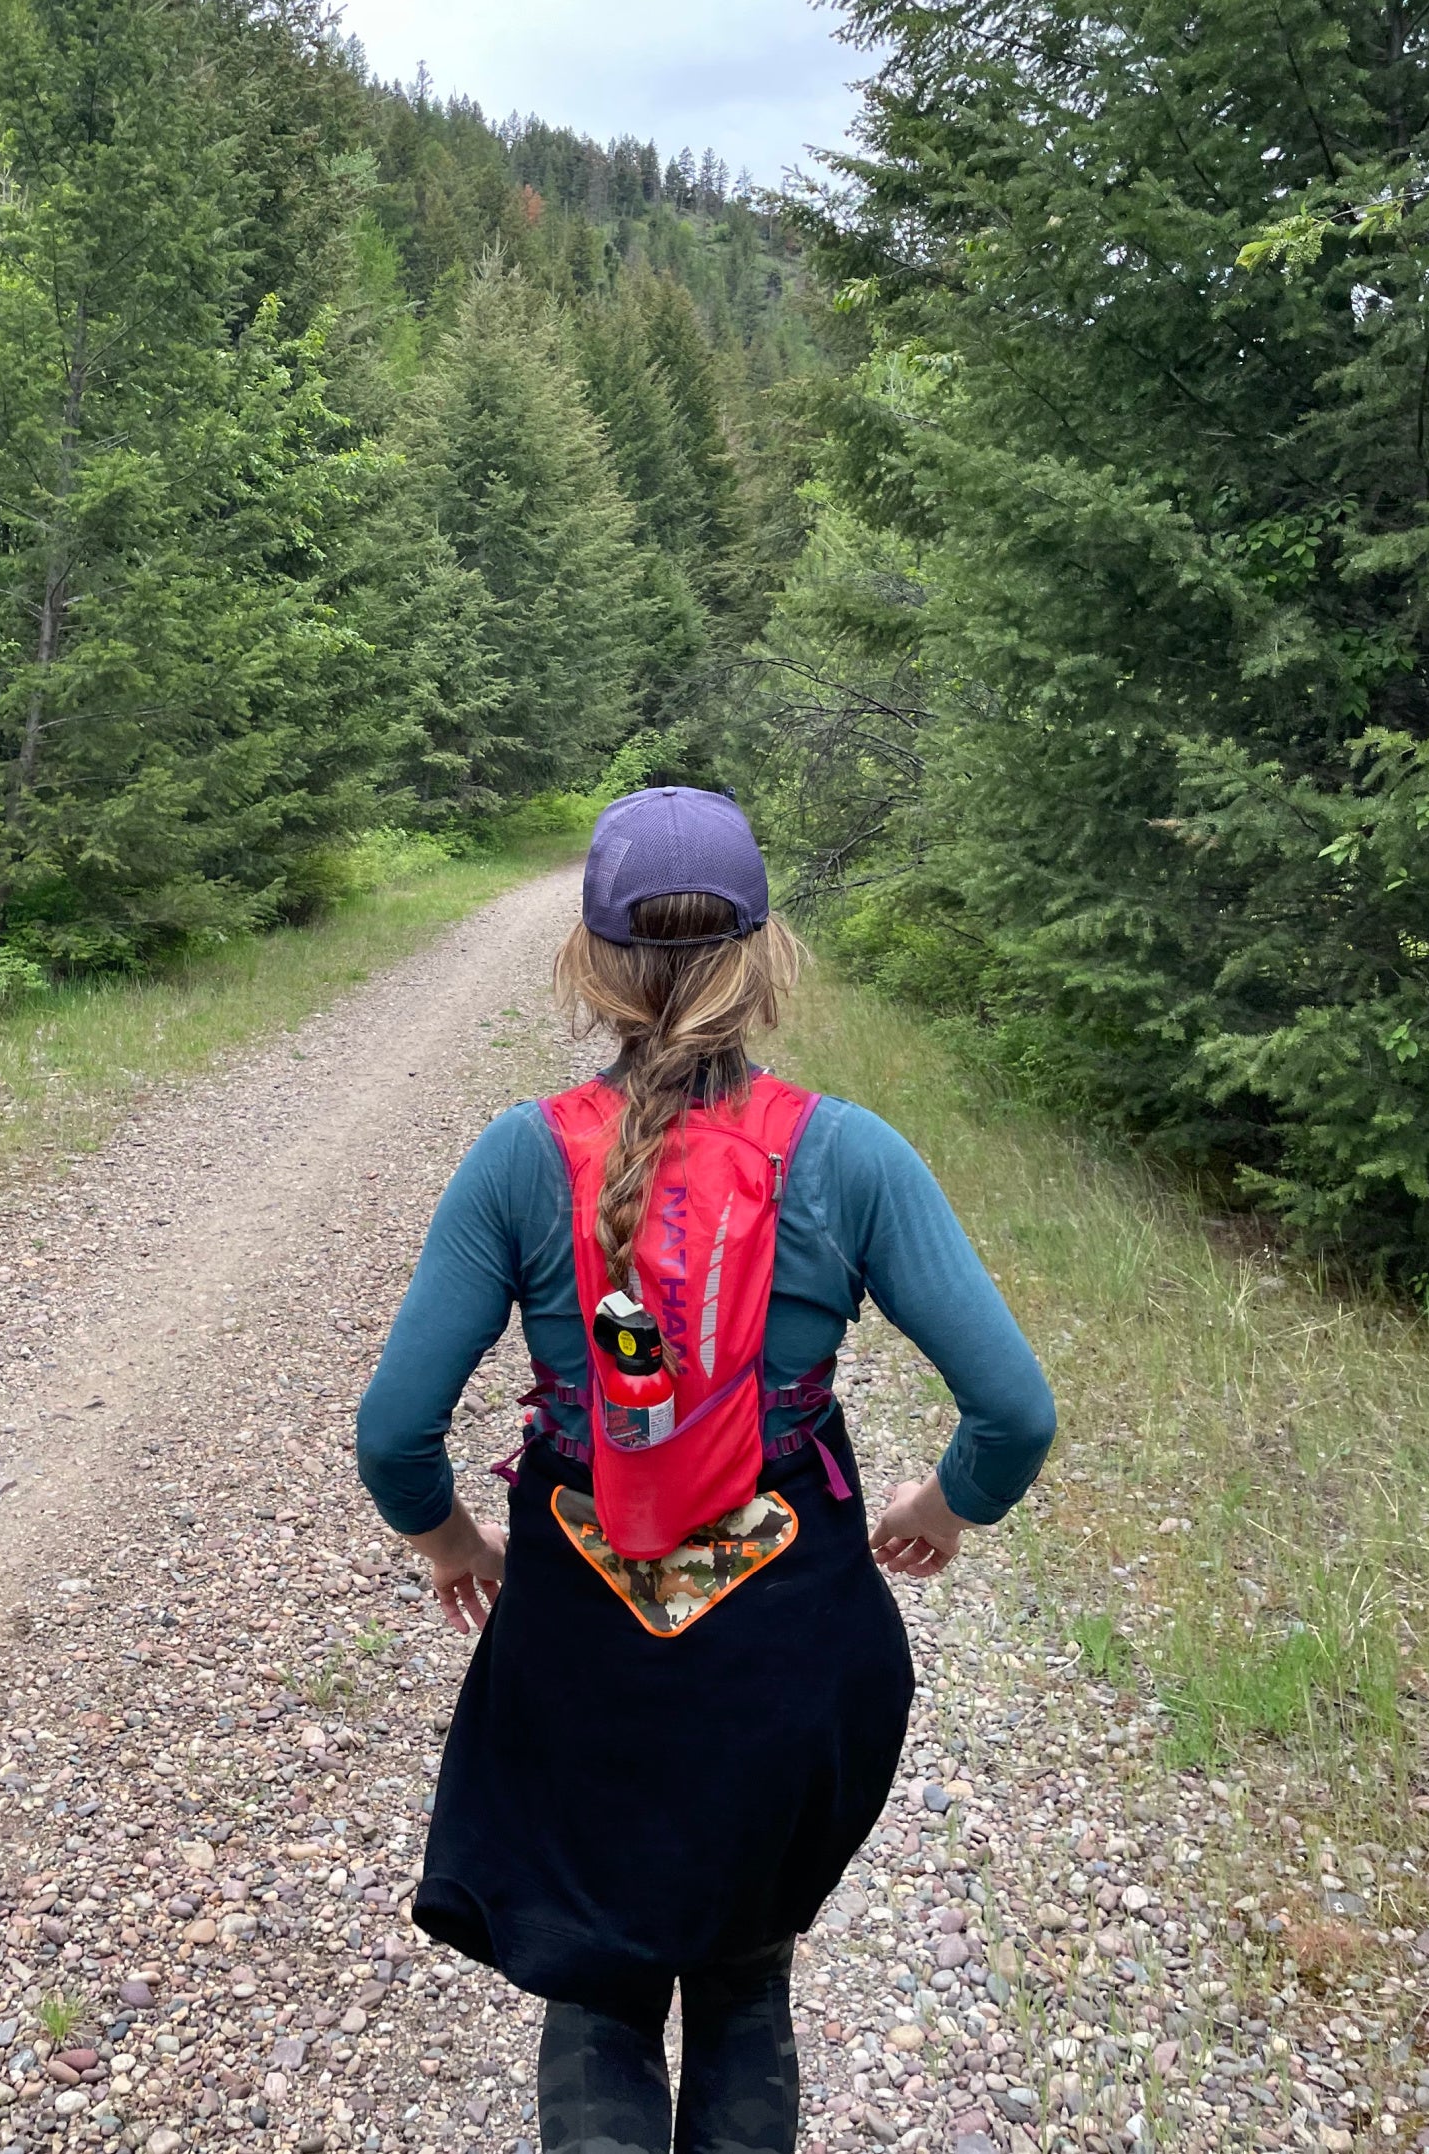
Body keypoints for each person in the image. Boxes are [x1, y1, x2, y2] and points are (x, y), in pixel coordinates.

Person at [357, 786, 1056, 2154]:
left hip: (582, 1642)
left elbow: (393, 1433)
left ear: (593, 965)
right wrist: (939, 1505)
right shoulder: (846, 1154)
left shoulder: (518, 1157)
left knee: (598, 1978)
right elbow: (1011, 1410)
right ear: (763, 957)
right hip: (783, 1651)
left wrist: (452, 1543)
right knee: (743, 1981)